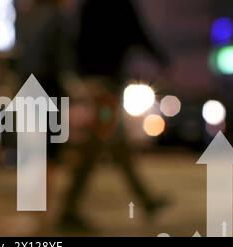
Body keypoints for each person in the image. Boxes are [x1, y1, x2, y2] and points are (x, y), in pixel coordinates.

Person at [58, 0, 169, 231]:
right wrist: (161, 58)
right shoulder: (120, 5)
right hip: (104, 83)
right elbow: (137, 32)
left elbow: (75, 38)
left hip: (94, 79)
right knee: (97, 142)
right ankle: (68, 211)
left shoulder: (89, 5)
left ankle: (146, 200)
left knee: (115, 143)